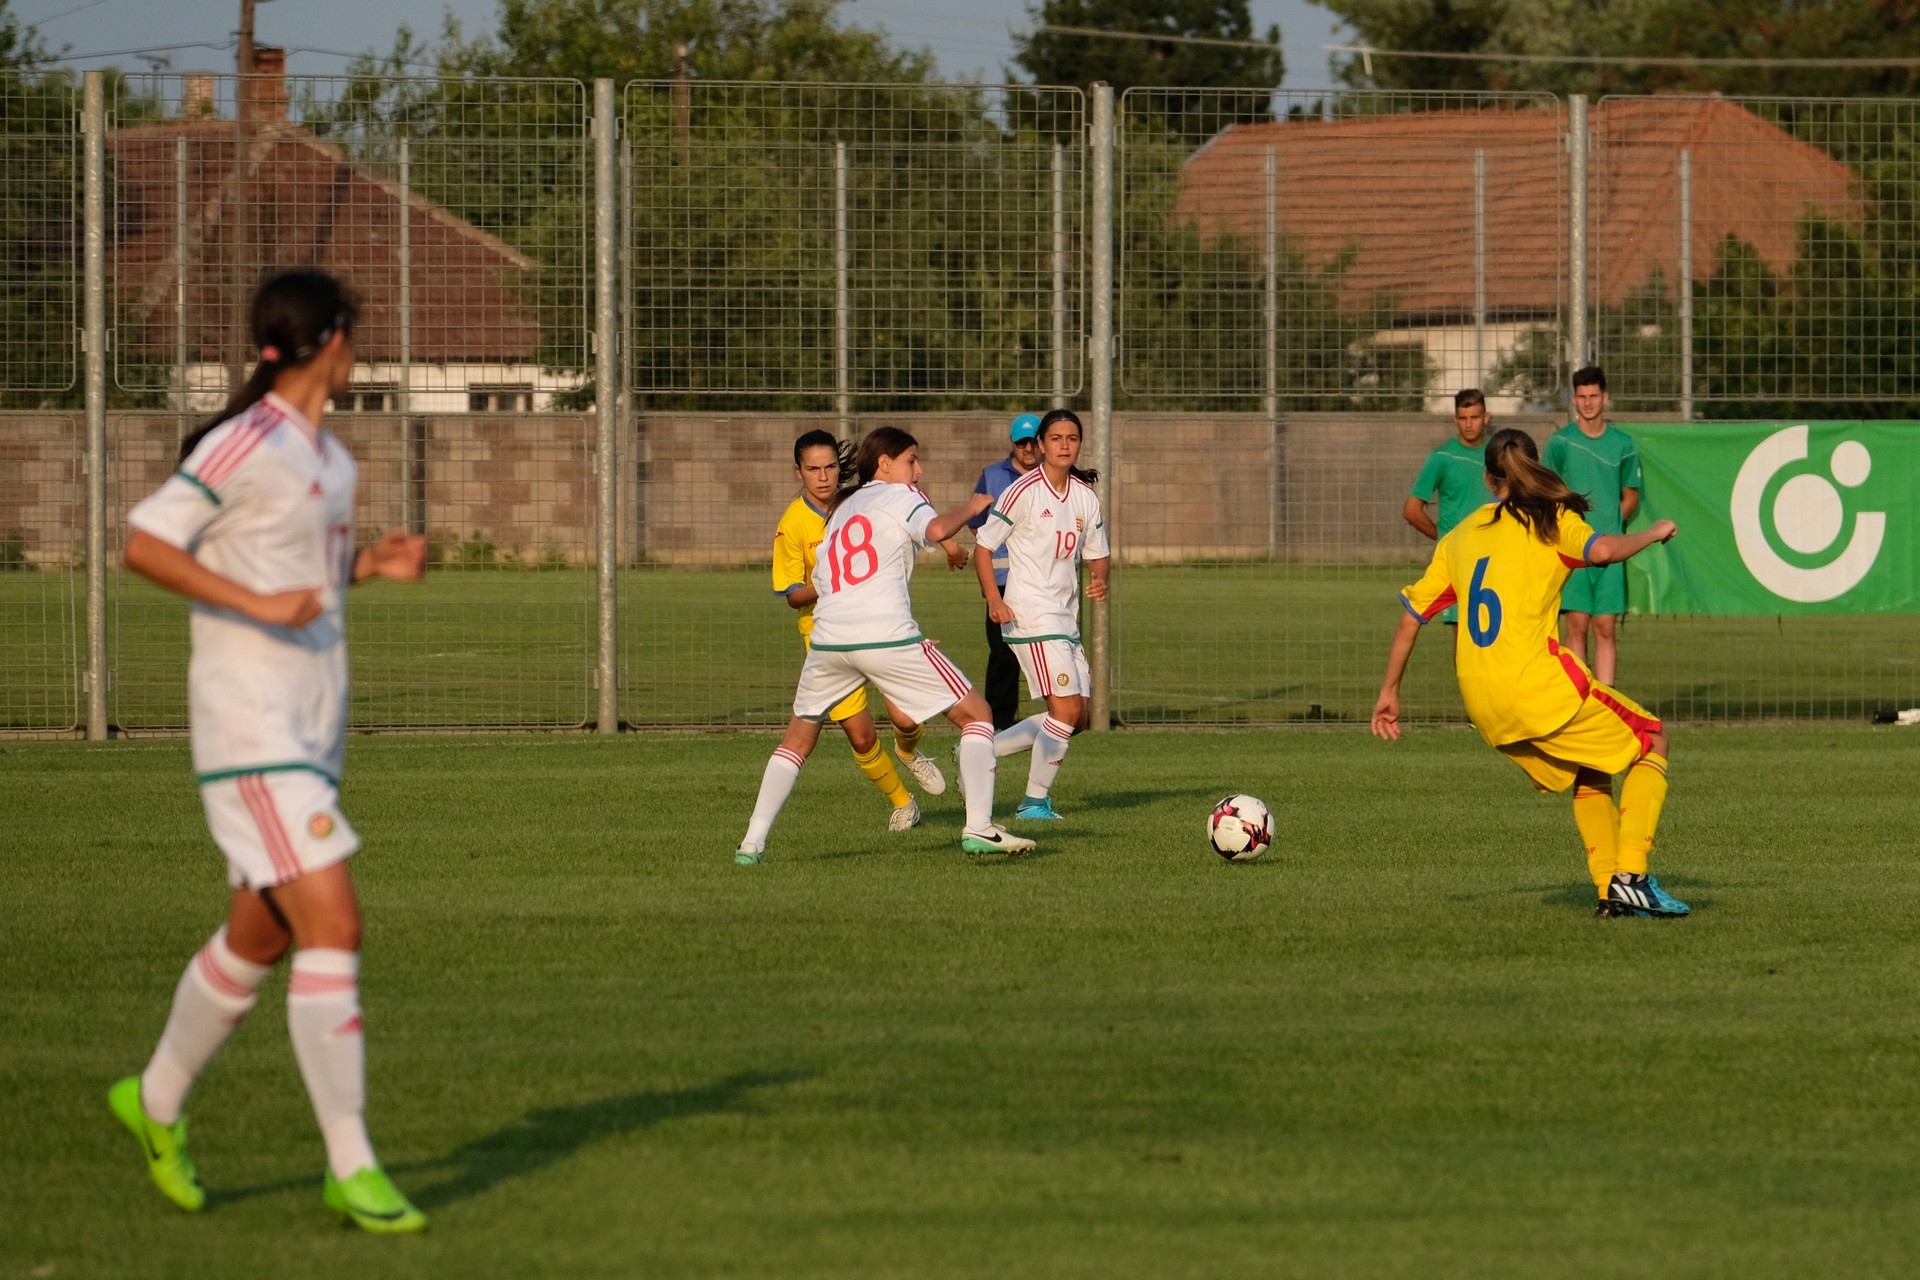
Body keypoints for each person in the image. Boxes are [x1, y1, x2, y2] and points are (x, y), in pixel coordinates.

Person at [108, 269, 430, 1231]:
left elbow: (304, 573)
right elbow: (145, 544)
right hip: (251, 729)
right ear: (332, 340)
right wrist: (252, 603)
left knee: (261, 937)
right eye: (356, 334)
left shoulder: (329, 458)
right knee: (336, 923)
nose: (360, 350)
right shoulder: (245, 439)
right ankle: (351, 1163)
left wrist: (368, 565)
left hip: (312, 731)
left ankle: (155, 1099)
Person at [1370, 427, 1688, 920]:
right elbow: (1603, 552)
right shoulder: (1550, 519)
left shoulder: (1459, 536)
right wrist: (1652, 532)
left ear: (1487, 478)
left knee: (1592, 768)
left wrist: (1389, 692)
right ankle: (1632, 877)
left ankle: (1610, 892)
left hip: (1484, 706)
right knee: (1653, 739)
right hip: (1537, 686)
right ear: (1537, 467)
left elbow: (1411, 618)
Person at [737, 427, 1034, 863]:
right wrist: (972, 508)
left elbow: (825, 579)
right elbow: (936, 528)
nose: (919, 470)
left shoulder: (842, 507)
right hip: (884, 634)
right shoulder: (901, 494)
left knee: (796, 741)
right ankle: (979, 828)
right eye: (912, 460)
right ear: (885, 464)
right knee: (978, 715)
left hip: (829, 639)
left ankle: (751, 844)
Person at [774, 430, 954, 831]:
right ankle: (903, 803)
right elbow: (792, 595)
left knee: (906, 719)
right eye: (813, 469)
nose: (824, 477)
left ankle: (909, 752)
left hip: (878, 626)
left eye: (830, 467)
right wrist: (831, 584)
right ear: (798, 471)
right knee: (860, 737)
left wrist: (951, 546)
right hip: (828, 638)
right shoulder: (792, 524)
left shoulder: (860, 501)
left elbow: (918, 517)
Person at [973, 408, 1110, 821]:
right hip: (1030, 613)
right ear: (1041, 446)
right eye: (1056, 438)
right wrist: (994, 600)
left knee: (1078, 718)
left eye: (1072, 438)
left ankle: (978, 751)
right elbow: (983, 548)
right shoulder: (1023, 491)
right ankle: (1033, 802)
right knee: (1065, 713)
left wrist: (1100, 579)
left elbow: (1098, 553)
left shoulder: (1085, 496)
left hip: (1065, 618)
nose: (1064, 445)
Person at [1544, 367, 1641, 686]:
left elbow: (1631, 496)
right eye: (1582, 397)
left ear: (1605, 398)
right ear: (1573, 399)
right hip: (1573, 549)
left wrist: (1610, 528)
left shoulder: (1623, 444)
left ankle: (1607, 699)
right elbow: (1548, 493)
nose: (1588, 403)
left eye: (1594, 396)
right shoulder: (1560, 442)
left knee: (1606, 627)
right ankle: (1578, 698)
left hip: (1610, 550)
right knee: (1577, 625)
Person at [968, 413, 1044, 729]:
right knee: (1003, 654)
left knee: (1049, 647)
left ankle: (1061, 714)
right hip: (1001, 580)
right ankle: (999, 721)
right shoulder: (992, 476)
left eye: (1033, 442)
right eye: (1021, 442)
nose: (1028, 448)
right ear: (1012, 443)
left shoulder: (1054, 475)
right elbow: (976, 523)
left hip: (1042, 580)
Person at [1403, 389, 1492, 629]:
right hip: (1458, 560)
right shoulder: (1441, 457)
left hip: (1495, 557)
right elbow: (1412, 510)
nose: (1468, 424)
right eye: (1463, 418)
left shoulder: (1498, 454)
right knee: (1463, 634)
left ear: (1486, 417)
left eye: (1474, 417)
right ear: (1455, 419)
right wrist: (1444, 538)